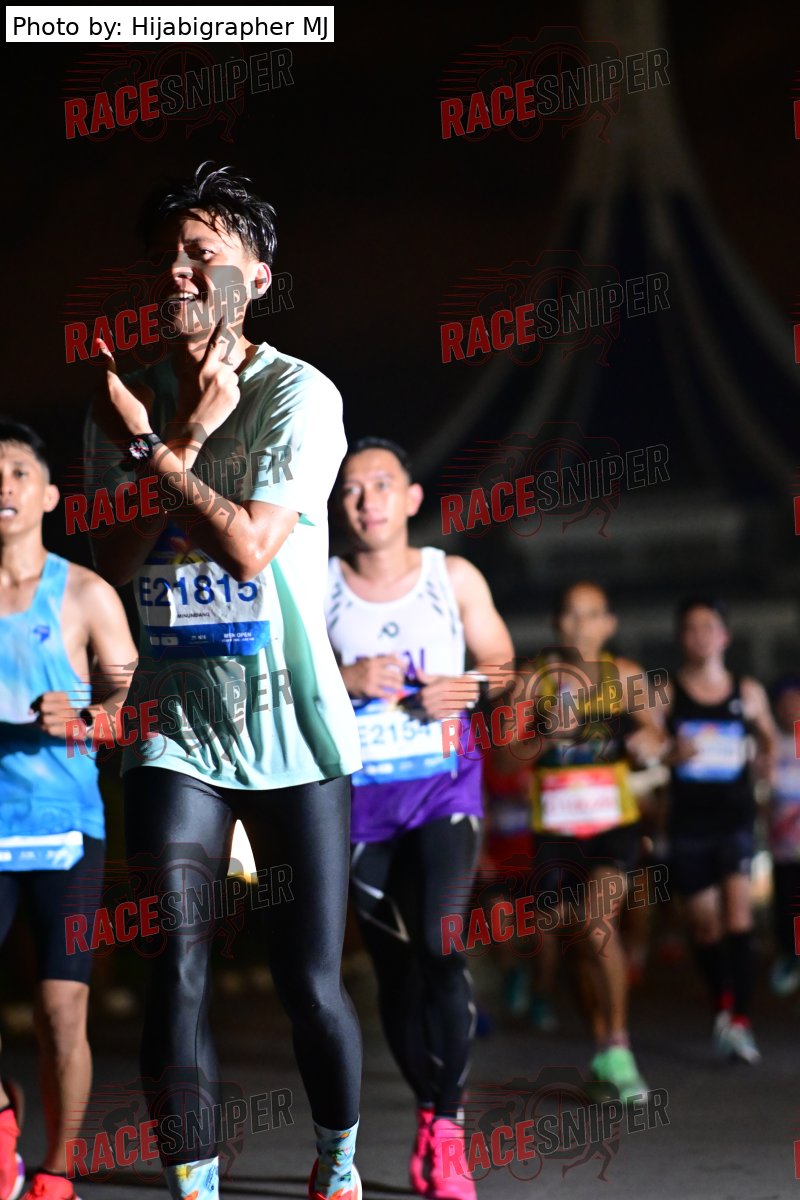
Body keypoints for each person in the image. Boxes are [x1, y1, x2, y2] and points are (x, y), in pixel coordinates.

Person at [83, 164, 364, 1200]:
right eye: (168, 255)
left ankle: (338, 1160)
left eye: (202, 254)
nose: (177, 270)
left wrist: (161, 454)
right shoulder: (124, 400)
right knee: (176, 960)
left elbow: (249, 550)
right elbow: (114, 563)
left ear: (257, 277)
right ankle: (193, 1184)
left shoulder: (301, 394)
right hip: (176, 730)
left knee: (309, 982)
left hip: (293, 727)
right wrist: (175, 437)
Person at [325, 437, 513, 1200]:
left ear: (409, 498)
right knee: (395, 974)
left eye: (381, 484)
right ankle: (430, 1112)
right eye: (351, 489)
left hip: (443, 791)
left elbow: (501, 666)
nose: (366, 499)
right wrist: (345, 677)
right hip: (358, 807)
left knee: (441, 943)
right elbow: (285, 677)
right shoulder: (319, 586)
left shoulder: (450, 576)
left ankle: (449, 1129)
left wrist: (462, 688)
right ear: (339, 506)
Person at [0, 419, 137, 1200]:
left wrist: (85, 719)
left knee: (60, 1012)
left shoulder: (85, 593)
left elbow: (132, 704)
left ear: (50, 495)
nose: (4, 486)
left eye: (19, 472)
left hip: (63, 827)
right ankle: (2, 1117)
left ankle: (58, 1169)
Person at [511, 581, 666, 1104]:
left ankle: (619, 1046)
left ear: (609, 623)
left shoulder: (626, 676)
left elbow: (658, 736)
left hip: (611, 826)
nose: (582, 625)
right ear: (557, 623)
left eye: (592, 614)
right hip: (556, 833)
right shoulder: (533, 680)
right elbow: (506, 758)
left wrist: (649, 742)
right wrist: (544, 737)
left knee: (599, 922)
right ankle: (602, 1050)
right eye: (572, 615)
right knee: (578, 945)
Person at [663, 597, 776, 1063]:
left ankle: (742, 1020)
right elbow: (649, 744)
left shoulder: (746, 691)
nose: (701, 636)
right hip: (689, 821)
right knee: (704, 925)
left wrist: (765, 757)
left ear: (725, 636)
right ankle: (722, 1004)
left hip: (735, 817)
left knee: (738, 915)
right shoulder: (668, 692)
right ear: (681, 638)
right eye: (691, 628)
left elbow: (769, 736)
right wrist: (671, 752)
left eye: (709, 627)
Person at [767, 675, 800, 996]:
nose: (791, 708)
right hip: (783, 847)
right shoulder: (770, 743)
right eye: (785, 702)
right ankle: (790, 958)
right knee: (788, 906)